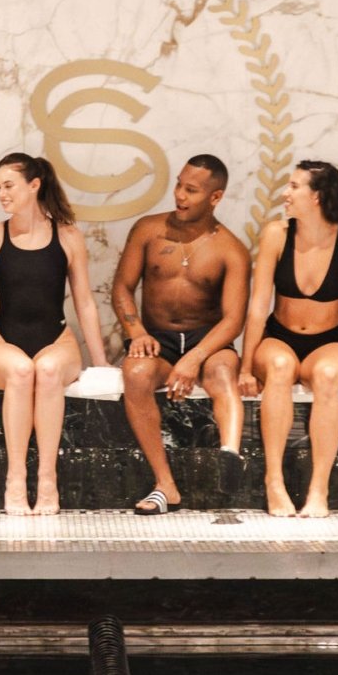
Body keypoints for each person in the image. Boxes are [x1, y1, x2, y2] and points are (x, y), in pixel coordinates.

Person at [0, 151, 108, 516]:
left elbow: (84, 303)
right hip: (1, 342)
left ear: (34, 185)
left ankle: (47, 479)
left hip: (56, 340)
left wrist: (100, 366)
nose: (2, 194)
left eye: (9, 186)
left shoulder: (67, 237)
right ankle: (16, 478)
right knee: (21, 372)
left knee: (47, 372)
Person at [241, 158, 338, 518]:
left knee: (325, 376)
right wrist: (245, 368)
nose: (285, 193)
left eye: (294, 186)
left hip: (329, 341)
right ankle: (273, 481)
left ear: (318, 196)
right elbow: (258, 306)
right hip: (280, 337)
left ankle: (319, 490)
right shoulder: (277, 234)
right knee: (277, 367)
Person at [111, 154, 251, 514]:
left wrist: (194, 358)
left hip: (207, 340)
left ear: (215, 197)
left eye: (191, 190)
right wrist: (136, 331)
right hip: (158, 339)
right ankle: (165, 485)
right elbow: (122, 288)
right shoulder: (148, 230)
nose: (180, 196)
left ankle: (230, 458)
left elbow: (233, 320)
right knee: (135, 372)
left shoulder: (231, 249)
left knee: (222, 372)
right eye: (179, 185)